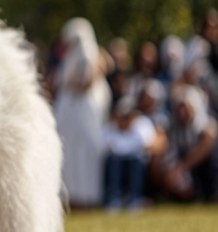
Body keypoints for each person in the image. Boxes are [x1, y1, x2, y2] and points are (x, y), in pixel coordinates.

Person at [53, 17, 111, 208]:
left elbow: (85, 83)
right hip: (72, 119)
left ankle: (88, 196)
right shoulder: (71, 57)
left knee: (87, 154)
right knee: (71, 155)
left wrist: (71, 82)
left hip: (84, 116)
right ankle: (73, 195)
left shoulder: (89, 56)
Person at [160, 85, 218, 201]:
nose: (183, 111)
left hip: (206, 173)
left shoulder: (208, 126)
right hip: (186, 171)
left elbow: (203, 152)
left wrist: (180, 167)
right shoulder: (174, 127)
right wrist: (171, 171)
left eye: (186, 107)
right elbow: (171, 154)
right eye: (180, 107)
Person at [101, 96, 156, 211]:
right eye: (122, 116)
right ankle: (114, 198)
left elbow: (150, 146)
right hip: (116, 163)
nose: (125, 120)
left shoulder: (143, 125)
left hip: (136, 163)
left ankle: (134, 198)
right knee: (113, 161)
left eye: (127, 116)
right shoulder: (110, 128)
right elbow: (104, 148)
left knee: (137, 160)